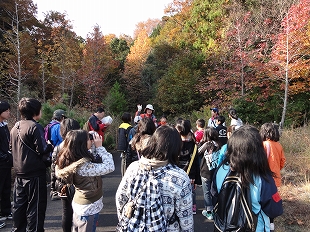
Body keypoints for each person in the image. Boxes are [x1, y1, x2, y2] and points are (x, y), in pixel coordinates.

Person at [116, 125, 194, 231]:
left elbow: (120, 197)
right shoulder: (180, 177)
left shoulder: (133, 168)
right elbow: (186, 218)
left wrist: (126, 218)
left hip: (135, 227)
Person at [214, 125, 277, 231]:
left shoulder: (221, 169)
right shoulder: (262, 176)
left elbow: (215, 195)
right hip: (255, 226)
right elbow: (273, 209)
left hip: (224, 224)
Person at [55, 130, 115, 232]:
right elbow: (110, 166)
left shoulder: (73, 158)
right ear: (81, 144)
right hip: (88, 209)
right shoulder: (83, 167)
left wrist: (88, 138)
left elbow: (90, 155)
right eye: (88, 139)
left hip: (81, 206)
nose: (91, 140)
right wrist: (100, 147)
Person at [10, 97, 54, 232]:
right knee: (35, 208)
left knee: (19, 207)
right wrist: (50, 146)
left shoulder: (15, 127)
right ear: (36, 111)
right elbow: (41, 149)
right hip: (35, 174)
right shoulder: (35, 127)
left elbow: (11, 148)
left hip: (19, 174)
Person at [50, 118, 80, 231]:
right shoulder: (81, 146)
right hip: (79, 185)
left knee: (66, 211)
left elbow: (53, 169)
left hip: (63, 185)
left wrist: (53, 188)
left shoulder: (58, 148)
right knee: (79, 212)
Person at [260, 123, 286, 232]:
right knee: (272, 199)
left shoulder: (263, 144)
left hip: (263, 177)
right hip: (275, 178)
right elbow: (282, 161)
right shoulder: (278, 145)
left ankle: (263, 223)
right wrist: (276, 169)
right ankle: (271, 223)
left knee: (262, 200)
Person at [175, 119, 200, 215]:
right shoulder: (193, 145)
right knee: (191, 192)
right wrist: (194, 177)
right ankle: (192, 206)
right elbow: (195, 163)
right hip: (190, 174)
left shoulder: (175, 144)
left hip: (177, 173)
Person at [198, 126, 221, 220]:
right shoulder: (218, 144)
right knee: (214, 191)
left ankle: (209, 211)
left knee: (206, 191)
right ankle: (215, 209)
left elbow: (198, 152)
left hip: (205, 171)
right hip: (215, 171)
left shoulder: (206, 144)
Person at [0, 101, 12, 228]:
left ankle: (6, 210)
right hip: (1, 162)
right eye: (6, 111)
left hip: (6, 162)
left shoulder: (4, 125)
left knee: (6, 188)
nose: (9, 112)